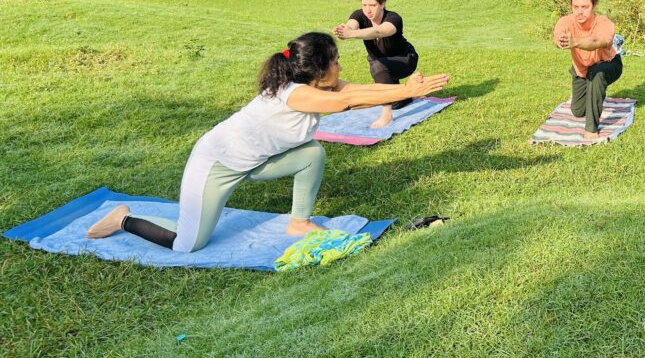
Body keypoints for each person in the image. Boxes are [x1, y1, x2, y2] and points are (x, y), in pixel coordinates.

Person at [86, 32, 449, 252]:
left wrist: (407, 89)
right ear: (317, 70)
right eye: (336, 61)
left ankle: (299, 222)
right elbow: (347, 102)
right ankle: (124, 219)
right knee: (188, 244)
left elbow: (354, 89)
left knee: (311, 153)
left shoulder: (315, 82)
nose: (340, 67)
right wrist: (405, 90)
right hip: (217, 165)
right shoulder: (296, 94)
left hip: (256, 161)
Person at [333, 0, 418, 129]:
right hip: (381, 64)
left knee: (378, 66)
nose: (367, 10)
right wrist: (345, 30)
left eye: (372, 5)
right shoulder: (359, 14)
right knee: (396, 102)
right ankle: (407, 94)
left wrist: (352, 34)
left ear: (382, 3)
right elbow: (351, 25)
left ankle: (386, 115)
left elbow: (379, 31)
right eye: (364, 5)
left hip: (404, 60)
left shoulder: (394, 18)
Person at [553, 0, 623, 140]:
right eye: (575, 6)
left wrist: (575, 42)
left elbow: (596, 41)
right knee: (578, 111)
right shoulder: (565, 21)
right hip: (581, 69)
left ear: (594, 5)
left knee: (596, 75)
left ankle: (591, 130)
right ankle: (594, 94)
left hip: (608, 64)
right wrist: (560, 41)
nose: (579, 11)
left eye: (584, 7)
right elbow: (557, 35)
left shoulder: (604, 23)